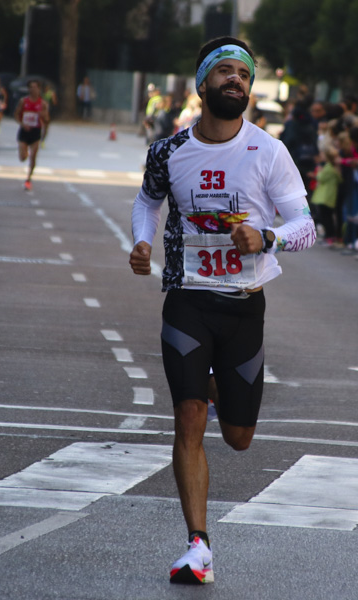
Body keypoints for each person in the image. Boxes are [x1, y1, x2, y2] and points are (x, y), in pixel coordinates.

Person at [128, 36, 316, 585]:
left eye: (243, 73)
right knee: (187, 416)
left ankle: (217, 387)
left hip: (243, 307)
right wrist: (143, 242)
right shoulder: (169, 152)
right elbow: (147, 201)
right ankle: (198, 545)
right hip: (187, 299)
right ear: (203, 84)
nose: (235, 80)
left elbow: (306, 226)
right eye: (224, 72)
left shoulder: (269, 152)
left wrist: (267, 238)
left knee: (238, 437)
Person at [14, 80, 49, 191]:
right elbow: (16, 114)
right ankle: (25, 152)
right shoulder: (23, 101)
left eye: (35, 87)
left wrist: (43, 116)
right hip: (24, 131)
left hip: (35, 132)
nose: (33, 89)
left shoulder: (43, 104)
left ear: (39, 89)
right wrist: (22, 124)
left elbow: (47, 119)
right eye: (31, 87)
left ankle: (28, 179)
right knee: (23, 158)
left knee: (33, 157)